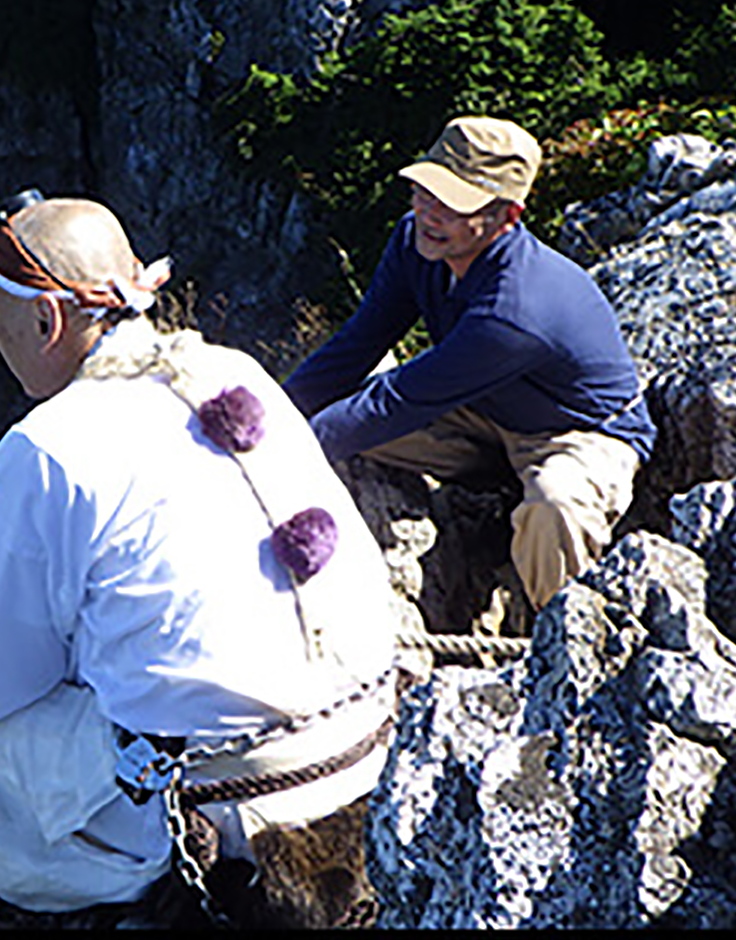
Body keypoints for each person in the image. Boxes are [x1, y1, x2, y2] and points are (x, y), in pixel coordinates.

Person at [0, 191, 403, 926]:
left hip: (216, 812)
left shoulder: (47, 447)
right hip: (366, 757)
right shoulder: (235, 370)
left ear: (46, 319)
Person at [282, 115, 657, 614]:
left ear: (508, 216)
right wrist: (268, 416)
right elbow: (358, 344)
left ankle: (556, 639)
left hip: (579, 433)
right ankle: (495, 485)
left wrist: (281, 456)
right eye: (424, 191)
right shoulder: (415, 241)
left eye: (455, 206)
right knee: (339, 418)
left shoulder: (517, 309)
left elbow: (400, 399)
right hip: (482, 411)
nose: (430, 213)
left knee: (553, 503)